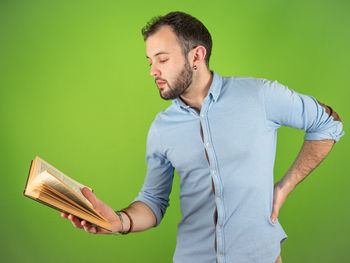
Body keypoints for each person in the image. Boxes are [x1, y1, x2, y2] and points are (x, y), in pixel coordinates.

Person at [61, 11, 344, 263]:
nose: (152, 71)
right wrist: (119, 221)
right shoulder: (161, 128)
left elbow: (328, 124)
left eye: (162, 59)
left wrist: (284, 186)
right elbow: (153, 201)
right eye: (150, 61)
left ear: (196, 56)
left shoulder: (260, 95)